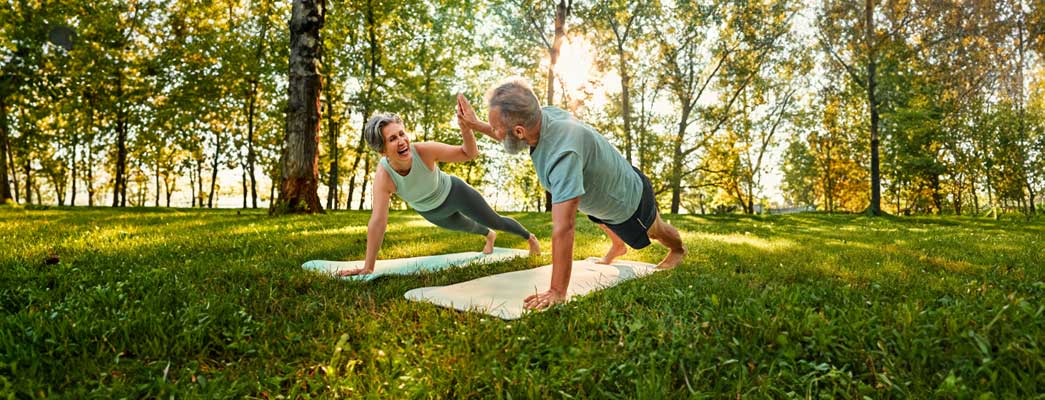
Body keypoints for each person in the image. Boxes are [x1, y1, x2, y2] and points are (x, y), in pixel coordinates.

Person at [456, 78, 686, 310]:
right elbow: (508, 136)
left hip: (631, 202)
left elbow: (563, 227)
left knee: (656, 230)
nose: (494, 132)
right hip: (602, 195)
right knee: (598, 217)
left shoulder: (563, 155)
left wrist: (557, 291)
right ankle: (618, 246)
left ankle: (678, 249)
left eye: (495, 128)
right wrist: (474, 124)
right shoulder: (539, 116)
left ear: (519, 131)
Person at [336, 108, 541, 277]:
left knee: (494, 220)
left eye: (401, 134)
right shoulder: (384, 176)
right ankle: (489, 236)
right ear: (382, 150)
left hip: (455, 193)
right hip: (431, 212)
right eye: (392, 139)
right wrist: (368, 266)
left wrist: (466, 129)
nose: (401, 141)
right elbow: (378, 221)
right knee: (469, 227)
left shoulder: (424, 151)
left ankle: (529, 238)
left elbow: (469, 153)